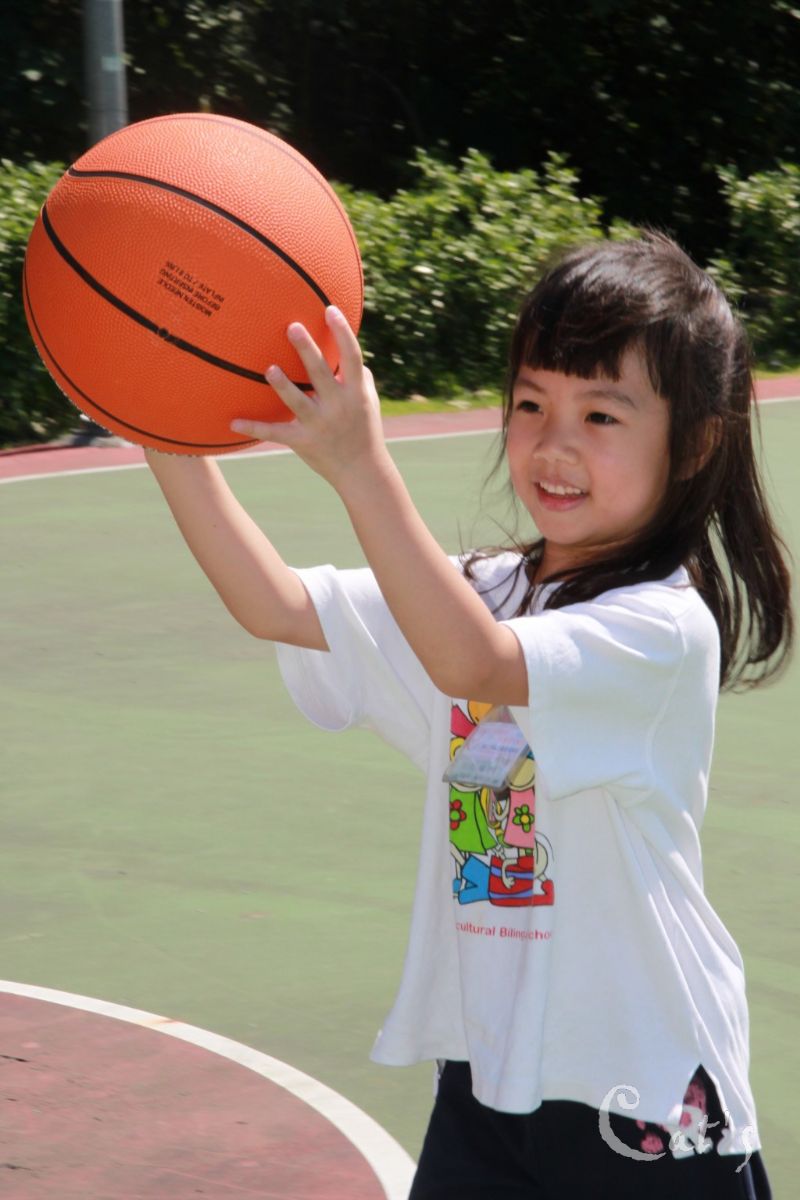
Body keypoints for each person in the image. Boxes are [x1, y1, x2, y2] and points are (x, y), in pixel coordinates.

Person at [144, 232, 793, 1198]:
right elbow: (274, 604)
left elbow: (473, 662)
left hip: (644, 1096)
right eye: (530, 404)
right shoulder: (486, 591)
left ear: (694, 441)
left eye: (601, 414)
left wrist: (360, 465)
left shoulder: (660, 628)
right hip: (492, 1077)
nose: (553, 443)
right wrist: (158, 421)